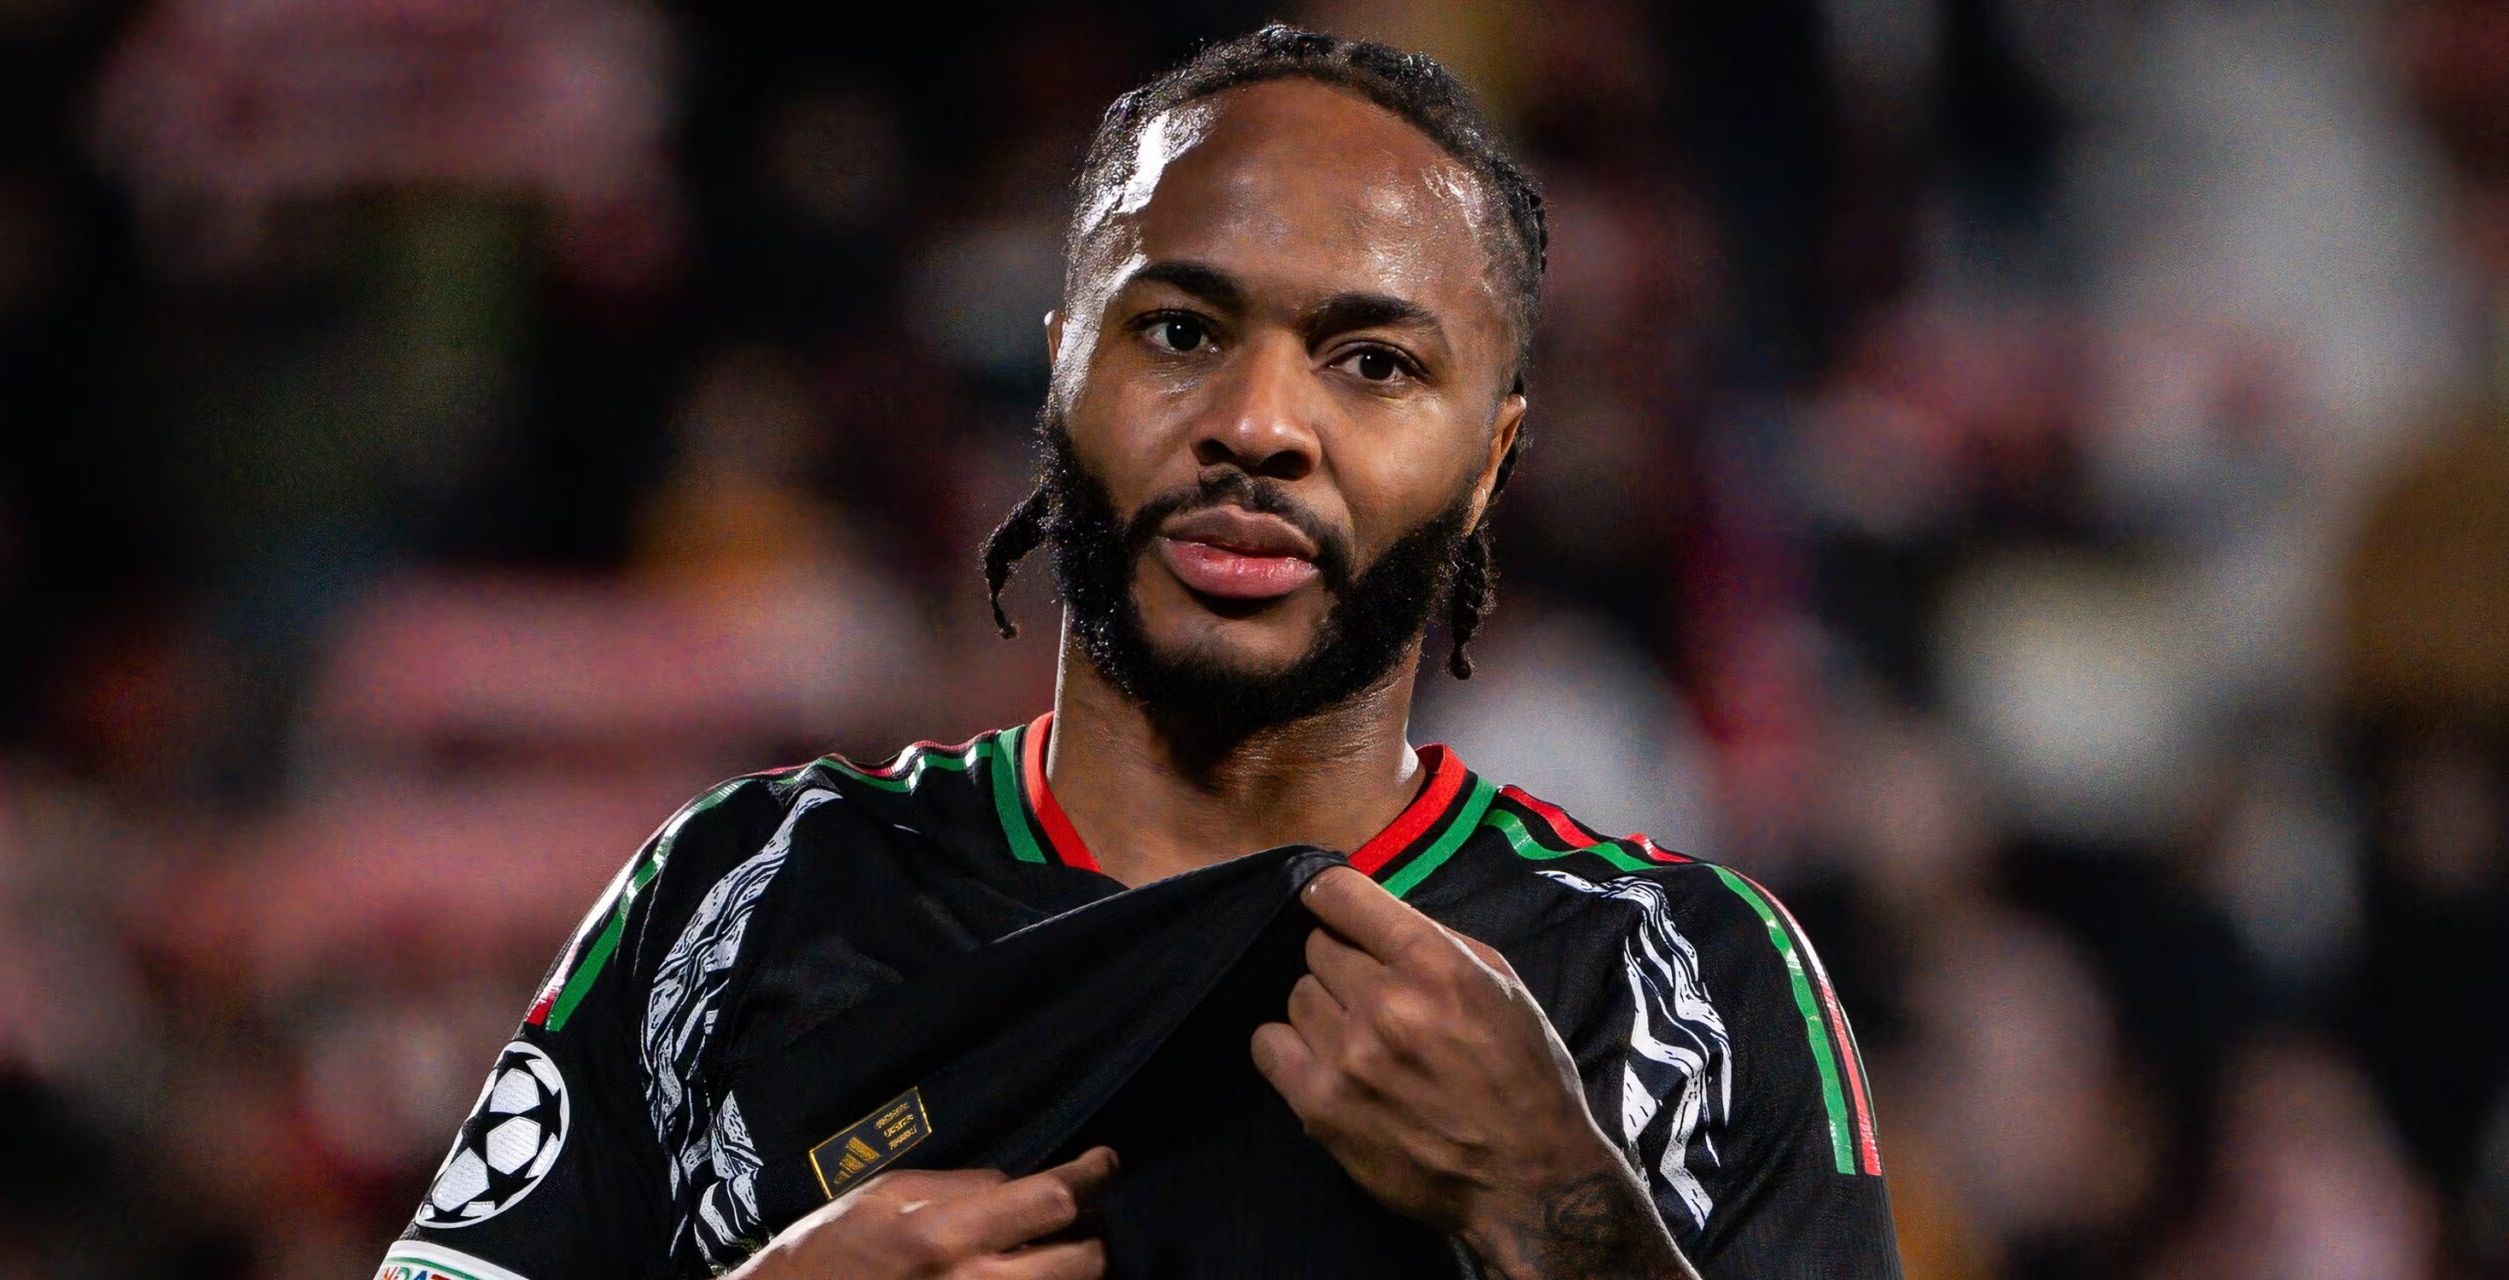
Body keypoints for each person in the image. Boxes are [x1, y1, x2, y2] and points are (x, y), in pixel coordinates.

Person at [375, 24, 1900, 1280]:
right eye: (1179, 331)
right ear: (1062, 370)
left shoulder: (1679, 985)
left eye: (1373, 363)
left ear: (1489, 461)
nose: (1259, 423)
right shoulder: (748, 899)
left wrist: (1559, 1214)